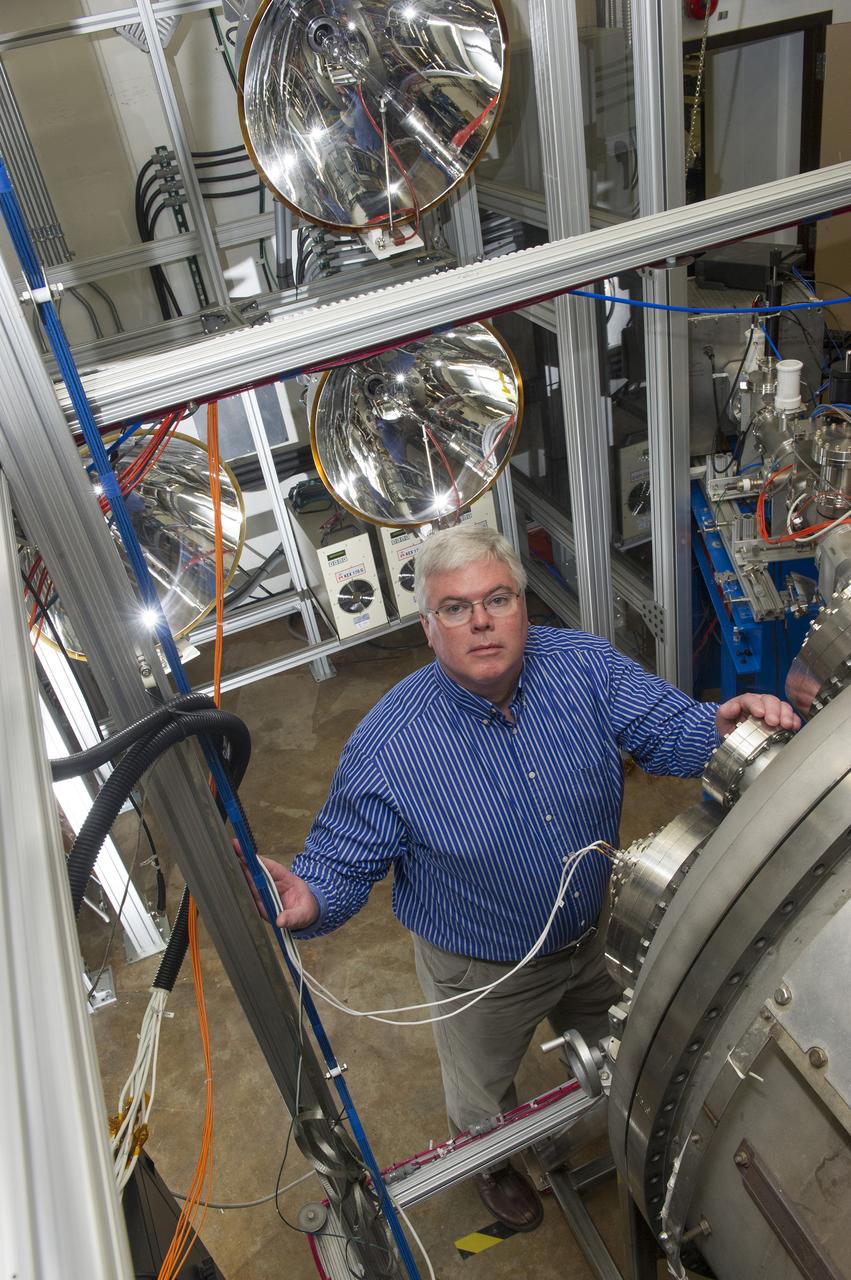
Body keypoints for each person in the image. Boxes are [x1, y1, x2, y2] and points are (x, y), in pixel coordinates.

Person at [260, 525, 800, 1231]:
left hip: (598, 930)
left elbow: (671, 730)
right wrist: (307, 898)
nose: (480, 621)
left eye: (497, 598)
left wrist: (725, 728)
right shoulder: (389, 746)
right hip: (482, 968)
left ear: (523, 605)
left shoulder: (582, 667)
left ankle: (630, 1134)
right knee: (482, 1094)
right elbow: (338, 863)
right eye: (455, 608)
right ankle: (492, 1159)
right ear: (428, 628)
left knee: (625, 1045)